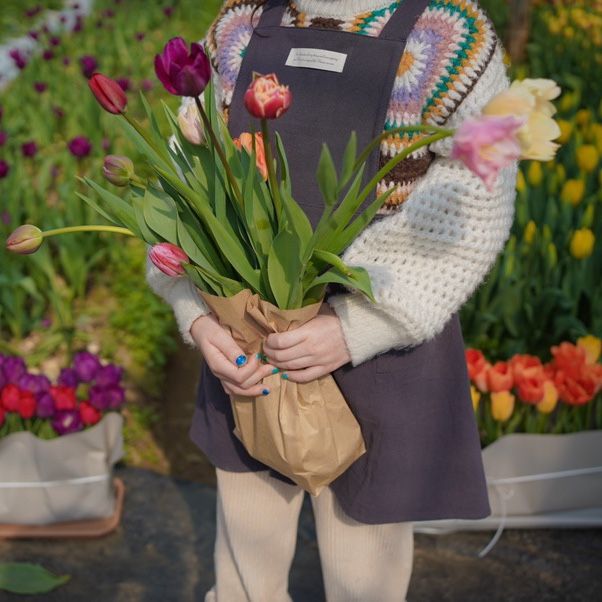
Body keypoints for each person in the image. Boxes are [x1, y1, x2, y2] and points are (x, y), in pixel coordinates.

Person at [146, 0, 519, 600]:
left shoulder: (448, 38)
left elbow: (475, 200)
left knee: (362, 579)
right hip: (247, 349)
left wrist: (356, 327)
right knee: (245, 572)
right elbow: (185, 176)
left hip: (382, 354)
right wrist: (196, 318)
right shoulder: (241, 25)